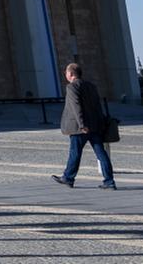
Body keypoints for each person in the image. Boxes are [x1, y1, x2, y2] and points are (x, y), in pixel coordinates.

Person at [53, 61, 116, 189]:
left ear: (70, 74)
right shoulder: (91, 86)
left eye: (66, 72)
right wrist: (100, 123)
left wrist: (82, 124)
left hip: (80, 128)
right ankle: (109, 181)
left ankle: (68, 178)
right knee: (101, 153)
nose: (65, 74)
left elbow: (76, 107)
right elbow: (97, 106)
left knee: (75, 153)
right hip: (95, 126)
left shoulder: (72, 87)